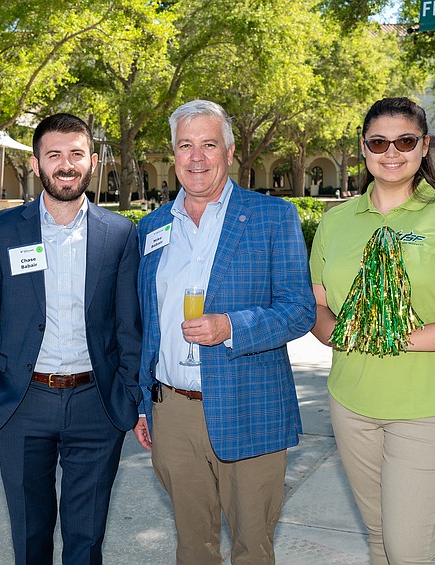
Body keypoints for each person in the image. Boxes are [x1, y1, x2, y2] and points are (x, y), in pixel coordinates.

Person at [310, 97, 435, 565]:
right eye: (379, 141)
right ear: (364, 148)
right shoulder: (335, 223)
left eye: (405, 140)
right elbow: (315, 306)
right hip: (351, 404)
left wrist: (395, 336)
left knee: (409, 549)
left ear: (424, 147)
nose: (391, 151)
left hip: (429, 408)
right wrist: (338, 333)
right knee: (381, 537)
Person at [133, 99, 315, 564]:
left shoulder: (273, 218)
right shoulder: (151, 229)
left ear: (229, 152)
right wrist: (142, 403)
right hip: (172, 411)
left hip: (249, 403)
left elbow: (299, 310)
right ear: (173, 155)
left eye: (208, 144)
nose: (197, 157)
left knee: (253, 548)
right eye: (185, 145)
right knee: (193, 548)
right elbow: (142, 324)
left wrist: (230, 327)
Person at [0, 113, 142, 564]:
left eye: (76, 154)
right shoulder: (1, 231)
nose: (66, 164)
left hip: (96, 406)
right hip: (22, 405)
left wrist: (129, 394)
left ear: (93, 162)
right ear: (37, 164)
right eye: (54, 155)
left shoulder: (119, 234)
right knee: (30, 538)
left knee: (87, 541)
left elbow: (128, 327)